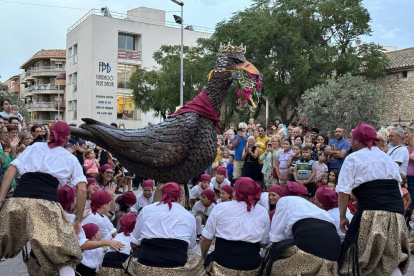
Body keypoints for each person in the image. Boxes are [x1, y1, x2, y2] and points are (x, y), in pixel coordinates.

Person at [0, 121, 87, 276]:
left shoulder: (34, 147)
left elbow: (12, 169)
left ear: (49, 132)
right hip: (46, 206)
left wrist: (0, 200)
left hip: (18, 201)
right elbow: (81, 188)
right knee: (62, 254)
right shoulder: (70, 158)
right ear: (68, 137)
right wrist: (78, 220)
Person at [337, 123, 409, 276]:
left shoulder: (353, 158)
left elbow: (343, 192)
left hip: (372, 214)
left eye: (351, 138)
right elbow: (397, 189)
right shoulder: (388, 159)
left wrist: (342, 216)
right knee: (389, 258)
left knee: (360, 258)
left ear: (357, 140)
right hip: (396, 215)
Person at [126, 182, 204, 276]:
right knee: (197, 260)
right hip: (177, 267)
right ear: (180, 197)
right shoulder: (189, 216)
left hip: (146, 265)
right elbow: (191, 249)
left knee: (129, 260)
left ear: (161, 194)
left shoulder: (146, 210)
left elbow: (133, 243)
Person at [263, 184, 341, 276]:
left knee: (272, 267)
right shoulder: (313, 207)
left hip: (311, 253)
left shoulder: (284, 201)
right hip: (334, 254)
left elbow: (275, 238)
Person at [200, 177, 270, 275]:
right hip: (251, 267)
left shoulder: (220, 208)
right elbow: (263, 243)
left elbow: (205, 239)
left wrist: (204, 257)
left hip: (222, 265)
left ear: (235, 191)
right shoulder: (262, 212)